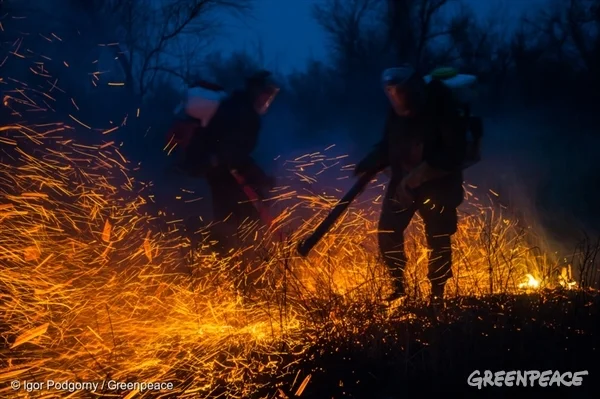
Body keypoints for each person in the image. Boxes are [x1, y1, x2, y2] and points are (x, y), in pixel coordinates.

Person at [354, 65, 477, 308]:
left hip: (438, 182)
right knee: (388, 232)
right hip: (404, 180)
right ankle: (398, 288)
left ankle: (437, 295)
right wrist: (371, 161)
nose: (397, 98)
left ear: (414, 90)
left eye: (401, 92)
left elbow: (453, 153)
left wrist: (419, 174)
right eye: (392, 92)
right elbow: (388, 143)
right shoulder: (396, 114)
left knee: (438, 235)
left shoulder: (442, 108)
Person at [168, 70, 279, 255]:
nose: (266, 102)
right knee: (237, 222)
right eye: (265, 96)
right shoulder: (244, 114)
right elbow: (233, 153)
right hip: (222, 173)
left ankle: (215, 255)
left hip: (216, 171)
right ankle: (206, 252)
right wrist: (260, 178)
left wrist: (260, 177)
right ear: (255, 92)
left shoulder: (234, 106)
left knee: (234, 220)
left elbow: (236, 154)